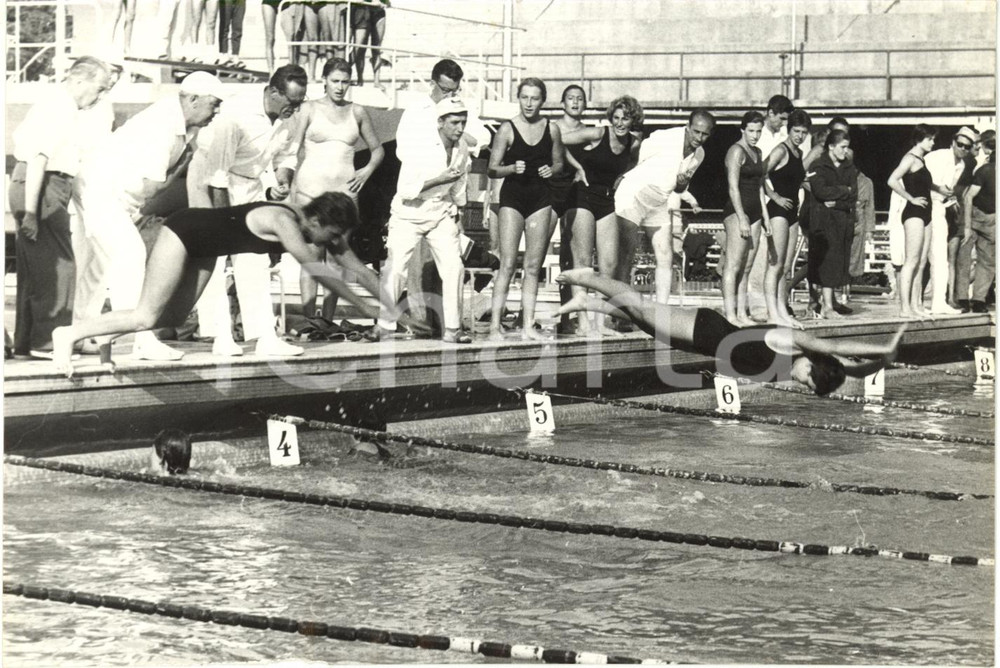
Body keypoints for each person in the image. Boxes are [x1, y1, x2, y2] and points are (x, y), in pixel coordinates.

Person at [53, 193, 419, 377]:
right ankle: (69, 335)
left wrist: (394, 309)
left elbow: (355, 267)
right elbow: (320, 270)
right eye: (333, 235)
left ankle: (103, 338)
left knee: (173, 316)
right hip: (184, 231)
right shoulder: (283, 221)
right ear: (319, 220)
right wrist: (370, 311)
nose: (332, 243)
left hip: (207, 248)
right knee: (147, 315)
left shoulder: (316, 228)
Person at [556, 268, 905, 396]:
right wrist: (884, 345)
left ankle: (588, 303)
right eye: (808, 381)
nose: (801, 383)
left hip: (706, 343)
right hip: (705, 326)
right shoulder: (797, 343)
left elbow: (848, 367)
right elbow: (837, 344)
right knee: (640, 307)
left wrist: (878, 363)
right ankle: (585, 277)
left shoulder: (796, 364)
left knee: (646, 323)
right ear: (813, 366)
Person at [72, 71, 224, 364]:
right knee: (130, 255)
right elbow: (155, 187)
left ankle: (81, 333)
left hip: (114, 195)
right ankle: (141, 340)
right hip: (99, 189)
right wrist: (181, 168)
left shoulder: (187, 126)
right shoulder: (162, 125)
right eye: (213, 104)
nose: (216, 112)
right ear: (192, 100)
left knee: (97, 267)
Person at [186, 64, 308, 358]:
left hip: (251, 184)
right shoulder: (235, 114)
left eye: (300, 102)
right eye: (292, 102)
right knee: (215, 258)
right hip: (210, 181)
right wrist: (224, 226)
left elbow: (286, 157)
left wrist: (281, 181)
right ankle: (220, 336)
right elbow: (217, 175)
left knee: (255, 258)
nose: (296, 108)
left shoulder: (288, 116)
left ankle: (265, 336)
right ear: (273, 92)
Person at [8, 56, 113, 359]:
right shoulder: (61, 106)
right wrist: (30, 212)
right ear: (80, 80)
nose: (100, 96)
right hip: (41, 186)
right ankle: (48, 342)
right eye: (99, 88)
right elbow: (40, 157)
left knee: (35, 270)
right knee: (60, 268)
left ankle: (27, 341)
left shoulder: (56, 104)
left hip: (37, 184)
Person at [290, 58, 384, 327]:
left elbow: (378, 150)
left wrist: (366, 171)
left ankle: (327, 321)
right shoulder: (309, 109)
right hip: (310, 193)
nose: (340, 87)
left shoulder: (358, 111)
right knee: (311, 258)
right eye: (335, 81)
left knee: (336, 260)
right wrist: (291, 188)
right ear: (325, 81)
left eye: (345, 82)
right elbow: (293, 150)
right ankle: (310, 321)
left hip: (344, 195)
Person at [376, 97, 471, 344]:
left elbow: (459, 184)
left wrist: (457, 211)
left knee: (454, 268)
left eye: (463, 122)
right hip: (409, 213)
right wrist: (439, 179)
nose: (460, 128)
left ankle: (453, 329)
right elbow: (406, 189)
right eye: (454, 123)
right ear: (440, 122)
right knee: (396, 268)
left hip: (440, 212)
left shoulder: (462, 148)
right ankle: (384, 327)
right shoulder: (419, 147)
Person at [487, 77, 566, 340]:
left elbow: (559, 164)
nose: (529, 103)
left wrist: (551, 170)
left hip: (540, 199)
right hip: (513, 198)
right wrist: (511, 168)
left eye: (534, 98)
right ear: (518, 98)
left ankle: (528, 326)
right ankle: (494, 325)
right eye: (524, 97)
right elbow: (492, 167)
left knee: (533, 266)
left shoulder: (552, 129)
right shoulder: (507, 129)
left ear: (542, 100)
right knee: (507, 264)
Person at [562, 95, 643, 336]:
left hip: (607, 200)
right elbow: (557, 140)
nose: (620, 123)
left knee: (609, 265)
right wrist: (576, 167)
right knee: (584, 262)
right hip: (582, 196)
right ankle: (583, 322)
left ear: (633, 120)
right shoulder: (598, 134)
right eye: (616, 118)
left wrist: (618, 180)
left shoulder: (634, 143)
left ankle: (600, 323)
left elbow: (629, 166)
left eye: (625, 119)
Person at [614, 109, 715, 289]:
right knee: (626, 253)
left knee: (665, 256)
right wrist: (621, 176)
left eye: (705, 134)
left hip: (660, 201)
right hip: (634, 195)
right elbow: (636, 154)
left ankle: (661, 313)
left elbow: (680, 188)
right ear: (687, 127)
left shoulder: (700, 154)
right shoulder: (665, 137)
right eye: (696, 132)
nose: (699, 138)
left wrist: (681, 183)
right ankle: (620, 308)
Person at [761, 108, 811, 328]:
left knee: (786, 265)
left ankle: (782, 309)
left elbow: (796, 180)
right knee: (775, 264)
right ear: (789, 130)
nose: (799, 136)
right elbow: (760, 173)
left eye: (803, 132)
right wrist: (774, 196)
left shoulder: (799, 154)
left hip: (793, 212)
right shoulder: (781, 150)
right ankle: (772, 312)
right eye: (796, 131)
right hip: (778, 212)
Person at [887, 124, 939, 319]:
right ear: (919, 139)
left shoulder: (921, 160)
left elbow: (924, 184)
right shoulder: (909, 158)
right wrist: (911, 198)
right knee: (911, 261)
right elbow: (892, 180)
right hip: (914, 213)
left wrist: (940, 189)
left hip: (926, 214)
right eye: (930, 139)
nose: (933, 143)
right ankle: (905, 307)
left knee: (922, 262)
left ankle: (917, 305)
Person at [720, 110, 767, 326]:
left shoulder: (757, 151)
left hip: (756, 211)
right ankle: (730, 314)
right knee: (733, 265)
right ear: (743, 129)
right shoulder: (735, 151)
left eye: (758, 131)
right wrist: (741, 218)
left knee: (747, 267)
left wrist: (765, 216)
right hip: (737, 212)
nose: (755, 135)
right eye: (751, 131)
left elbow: (759, 187)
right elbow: (732, 187)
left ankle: (741, 314)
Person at [549, 85, 589, 334]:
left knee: (572, 256)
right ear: (562, 103)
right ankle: (525, 313)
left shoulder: (588, 132)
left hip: (575, 192)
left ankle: (570, 316)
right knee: (538, 252)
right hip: (551, 190)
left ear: (585, 104)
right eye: (570, 99)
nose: (575, 103)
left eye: (579, 99)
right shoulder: (553, 128)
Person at [925, 127, 978, 315]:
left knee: (941, 258)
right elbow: (920, 180)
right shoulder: (937, 157)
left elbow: (948, 190)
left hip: (938, 209)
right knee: (920, 258)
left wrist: (950, 200)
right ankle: (913, 303)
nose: (962, 148)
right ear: (953, 142)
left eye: (967, 146)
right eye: (960, 144)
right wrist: (939, 189)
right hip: (923, 207)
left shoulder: (961, 165)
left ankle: (938, 303)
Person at [807, 129, 857, 319]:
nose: (846, 151)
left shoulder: (849, 167)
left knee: (836, 263)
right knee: (826, 264)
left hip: (841, 221)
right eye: (843, 147)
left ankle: (829, 304)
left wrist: (837, 199)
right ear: (831, 147)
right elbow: (820, 192)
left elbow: (853, 197)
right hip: (822, 222)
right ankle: (826, 306)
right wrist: (844, 190)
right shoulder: (818, 165)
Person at [962, 131, 995, 313]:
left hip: (990, 216)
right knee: (965, 256)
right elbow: (968, 195)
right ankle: (960, 297)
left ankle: (979, 299)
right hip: (975, 212)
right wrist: (967, 225)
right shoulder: (978, 162)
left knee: (987, 260)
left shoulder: (986, 164)